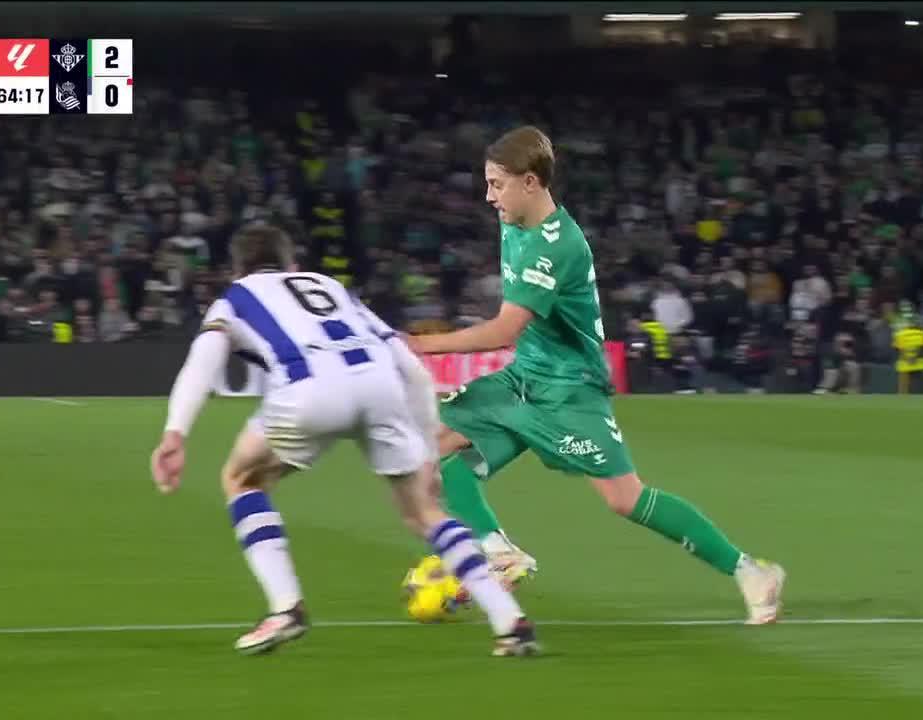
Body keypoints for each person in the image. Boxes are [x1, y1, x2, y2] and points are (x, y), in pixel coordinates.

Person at [405, 126, 785, 625]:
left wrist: (420, 346)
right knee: (437, 450)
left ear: (532, 182)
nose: (488, 195)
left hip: (569, 390)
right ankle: (499, 552)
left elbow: (503, 330)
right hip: (526, 377)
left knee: (624, 498)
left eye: (497, 184)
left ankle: (751, 572)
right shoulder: (514, 222)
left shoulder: (557, 247)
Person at [149, 225, 538, 657]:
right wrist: (428, 448)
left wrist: (175, 433)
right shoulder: (330, 286)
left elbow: (202, 362)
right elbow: (407, 363)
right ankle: (509, 620)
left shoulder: (236, 297)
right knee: (424, 512)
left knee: (242, 479)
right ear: (291, 264)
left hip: (309, 390)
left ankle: (285, 607)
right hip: (381, 386)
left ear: (236, 269)